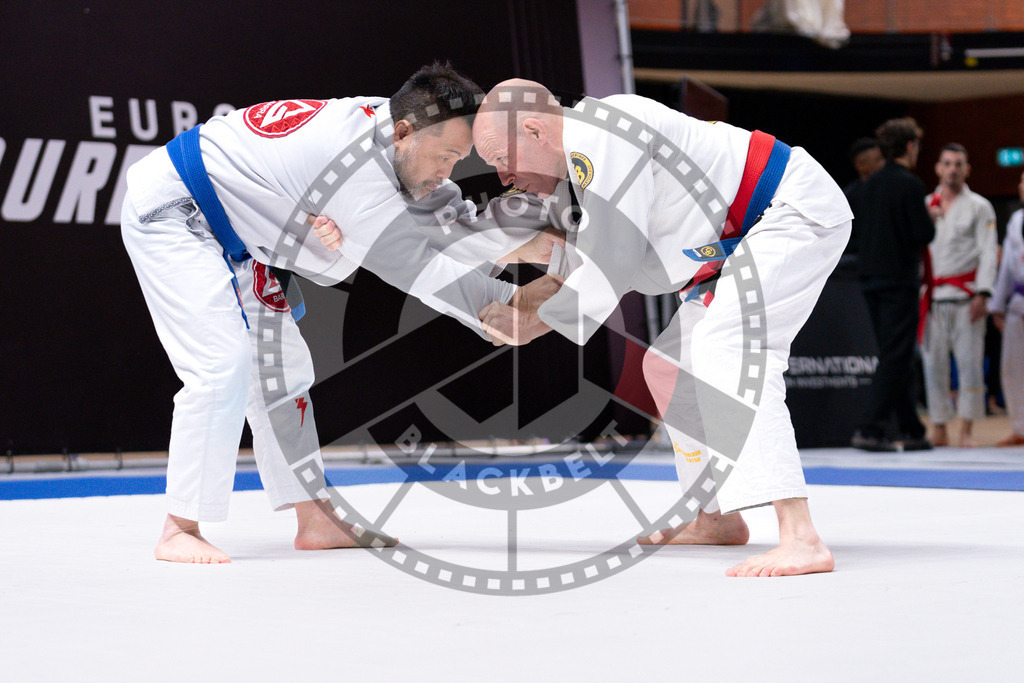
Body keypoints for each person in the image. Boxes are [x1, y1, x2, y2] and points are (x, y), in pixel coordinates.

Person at [121, 63, 552, 564]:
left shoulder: (396, 130)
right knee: (223, 366)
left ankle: (316, 519)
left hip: (241, 236)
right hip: (176, 212)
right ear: (403, 133)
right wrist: (510, 307)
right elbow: (421, 268)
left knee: (285, 373)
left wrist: (527, 247)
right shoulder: (355, 171)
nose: (449, 172)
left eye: (459, 158)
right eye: (448, 157)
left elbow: (448, 222)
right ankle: (179, 527)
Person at [473, 79, 852, 577]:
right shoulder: (586, 166)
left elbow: (614, 262)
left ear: (534, 129)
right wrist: (525, 289)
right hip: (730, 247)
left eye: (503, 157)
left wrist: (537, 322)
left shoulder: (604, 134)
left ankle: (800, 535)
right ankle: (713, 515)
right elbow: (603, 258)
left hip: (786, 211)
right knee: (668, 367)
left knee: (728, 345)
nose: (503, 176)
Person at [850, 117, 935, 452]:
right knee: (897, 354)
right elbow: (923, 234)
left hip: (869, 280)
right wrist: (931, 217)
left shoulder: (867, 186)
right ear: (910, 146)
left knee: (894, 353)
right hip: (899, 280)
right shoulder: (911, 185)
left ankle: (911, 429)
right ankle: (870, 428)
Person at [920, 144, 998, 447]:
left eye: (959, 164)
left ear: (967, 170)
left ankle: (966, 428)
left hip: (967, 297)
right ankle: (939, 425)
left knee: (969, 364)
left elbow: (988, 251)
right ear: (939, 168)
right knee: (933, 364)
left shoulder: (980, 206)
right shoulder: (927, 204)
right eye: (947, 163)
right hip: (932, 297)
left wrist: (984, 291)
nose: (953, 169)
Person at [988, 170, 1024, 446]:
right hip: (1017, 303)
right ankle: (1020, 428)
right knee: (1012, 370)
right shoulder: (1016, 221)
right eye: (1023, 182)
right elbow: (1007, 271)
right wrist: (997, 305)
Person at [842, 137, 884, 256]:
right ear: (860, 165)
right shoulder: (849, 197)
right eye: (878, 160)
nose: (884, 164)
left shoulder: (887, 192)